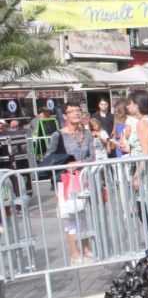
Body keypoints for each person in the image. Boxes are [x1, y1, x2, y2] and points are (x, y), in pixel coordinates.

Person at [46, 103, 95, 265]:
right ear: (65, 116)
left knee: (82, 215)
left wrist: (79, 163)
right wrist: (64, 166)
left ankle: (87, 249)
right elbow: (49, 158)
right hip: (64, 181)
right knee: (69, 216)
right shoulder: (57, 135)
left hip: (82, 179)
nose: (76, 113)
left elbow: (92, 157)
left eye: (78, 111)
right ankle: (75, 254)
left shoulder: (87, 134)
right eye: (71, 111)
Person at [121, 90, 148, 243]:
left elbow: (146, 151)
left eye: (131, 103)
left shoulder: (143, 123)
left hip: (146, 172)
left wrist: (137, 176)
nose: (128, 106)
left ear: (138, 105)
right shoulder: (147, 121)